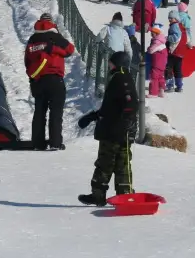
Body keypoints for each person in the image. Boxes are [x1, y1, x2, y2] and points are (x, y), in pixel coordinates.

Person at [77, 51, 139, 206]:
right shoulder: (120, 77)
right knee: (114, 162)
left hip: (116, 131)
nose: (109, 65)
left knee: (113, 162)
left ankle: (113, 195)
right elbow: (112, 106)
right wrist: (94, 116)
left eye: (111, 62)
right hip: (114, 129)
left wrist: (125, 124)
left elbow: (130, 104)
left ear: (117, 63)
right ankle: (112, 195)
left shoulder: (122, 78)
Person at [24, 14, 76, 150]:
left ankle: (37, 143)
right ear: (51, 23)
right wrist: (55, 49)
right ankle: (55, 143)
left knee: (39, 112)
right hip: (54, 79)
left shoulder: (32, 39)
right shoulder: (55, 37)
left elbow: (27, 61)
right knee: (56, 112)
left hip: (38, 80)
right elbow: (70, 50)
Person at [165, 10, 186, 93]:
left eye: (171, 18)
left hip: (174, 51)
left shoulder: (174, 26)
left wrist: (167, 38)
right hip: (180, 53)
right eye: (169, 18)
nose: (169, 20)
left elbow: (176, 38)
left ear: (175, 18)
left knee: (169, 68)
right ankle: (179, 86)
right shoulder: (181, 26)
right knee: (178, 70)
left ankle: (170, 86)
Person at [147, 26, 168, 97]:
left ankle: (153, 93)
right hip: (162, 63)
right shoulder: (161, 40)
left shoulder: (157, 41)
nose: (151, 34)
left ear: (156, 33)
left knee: (154, 77)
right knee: (160, 77)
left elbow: (151, 50)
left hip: (157, 63)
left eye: (152, 33)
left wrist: (148, 48)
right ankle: (161, 91)